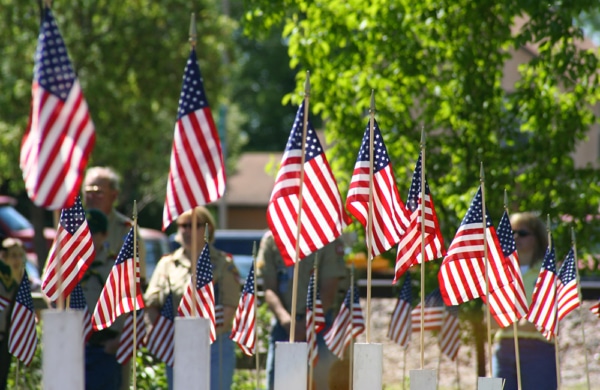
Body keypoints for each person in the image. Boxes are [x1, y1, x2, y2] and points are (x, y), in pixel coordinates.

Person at [144, 206, 241, 390]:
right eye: (182, 225)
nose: (186, 231)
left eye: (192, 225)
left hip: (215, 345)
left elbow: (230, 306)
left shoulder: (223, 263)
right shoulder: (167, 264)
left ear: (207, 228)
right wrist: (158, 334)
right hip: (178, 342)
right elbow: (152, 303)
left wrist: (201, 337)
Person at [257, 231, 348, 390]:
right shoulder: (272, 239)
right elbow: (269, 289)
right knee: (276, 384)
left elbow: (329, 290)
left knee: (322, 383)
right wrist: (287, 321)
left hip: (320, 325)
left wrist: (306, 325)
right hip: (283, 326)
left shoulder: (327, 237)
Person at [492, 212, 556, 390]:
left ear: (536, 237)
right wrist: (517, 321)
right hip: (503, 347)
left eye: (522, 233)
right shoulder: (502, 272)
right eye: (511, 232)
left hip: (538, 348)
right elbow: (489, 320)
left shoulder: (548, 272)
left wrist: (506, 320)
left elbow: (538, 320)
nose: (515, 237)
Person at [81, 209, 127, 390]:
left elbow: (129, 308)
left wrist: (117, 343)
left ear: (105, 235)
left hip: (103, 348)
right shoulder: (68, 267)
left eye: (92, 232)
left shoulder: (115, 267)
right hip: (72, 347)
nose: (86, 237)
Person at [83, 166, 146, 287]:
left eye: (98, 192)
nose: (91, 197)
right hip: (75, 304)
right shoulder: (71, 227)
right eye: (88, 192)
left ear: (114, 195)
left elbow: (137, 278)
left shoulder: (125, 229)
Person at [0, 238, 27, 390]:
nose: (17, 260)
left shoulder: (21, 281)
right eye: (13, 256)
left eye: (20, 255)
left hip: (6, 341)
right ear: (4, 257)